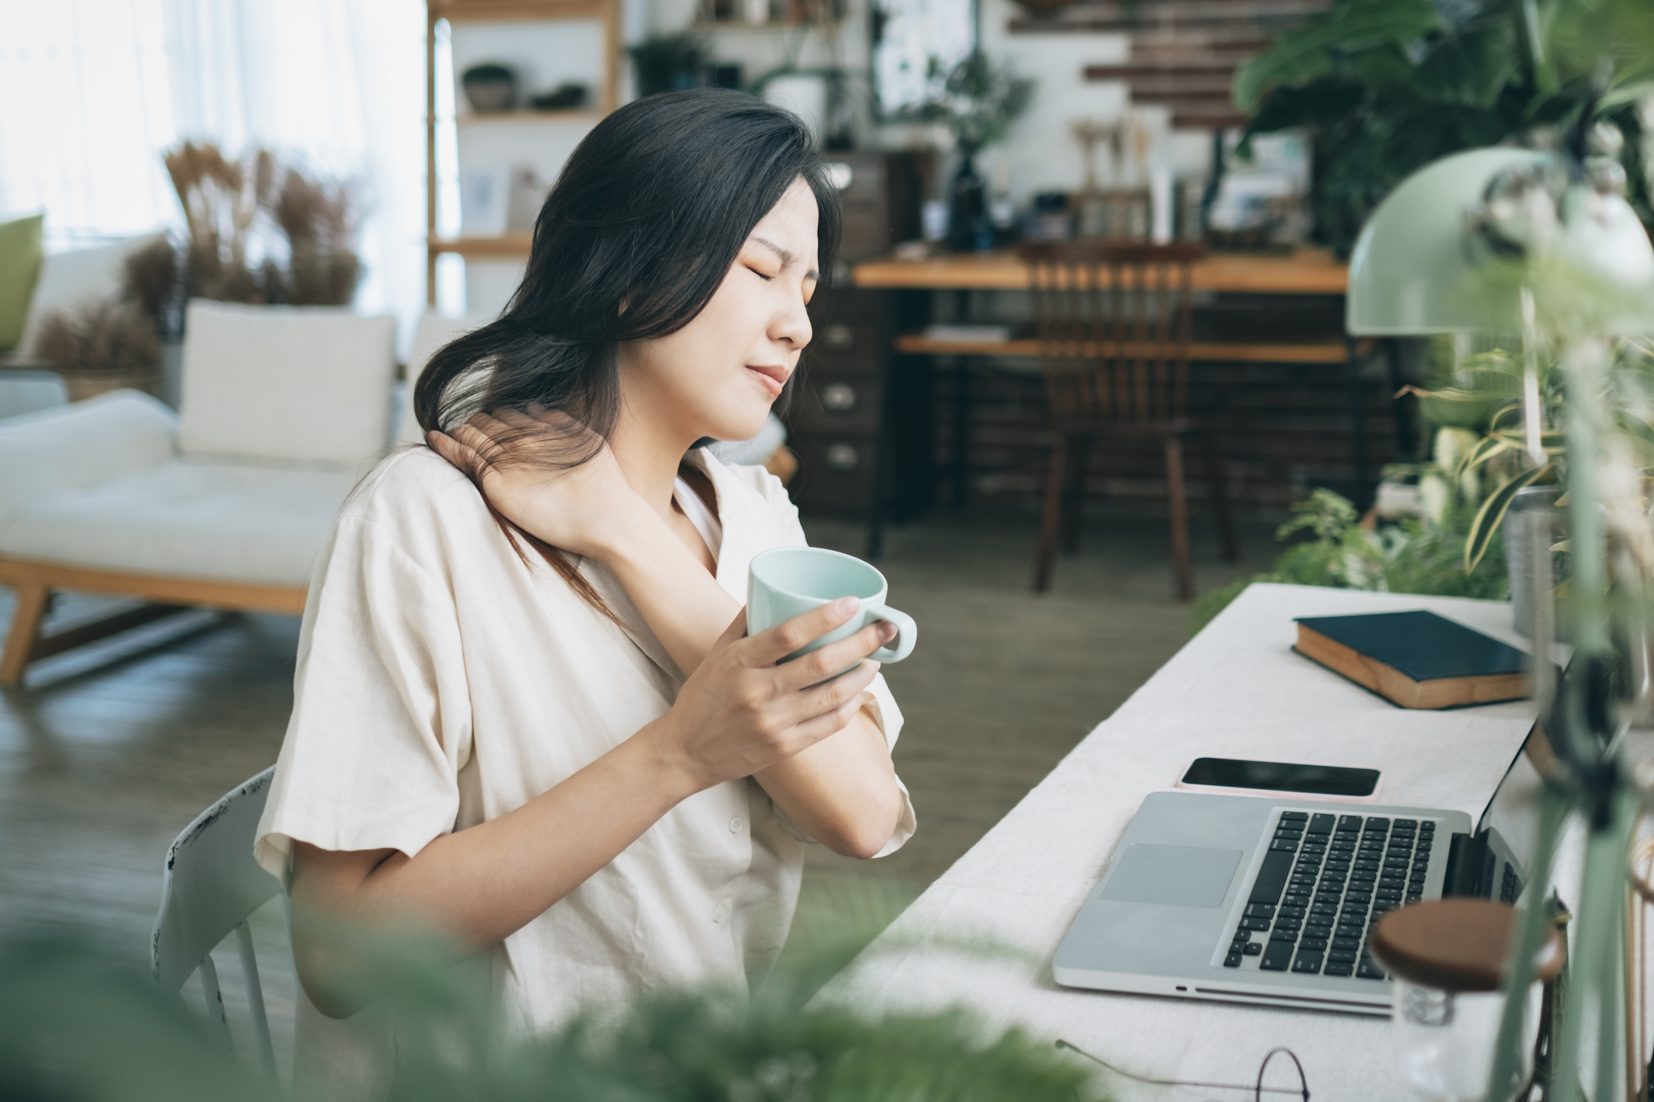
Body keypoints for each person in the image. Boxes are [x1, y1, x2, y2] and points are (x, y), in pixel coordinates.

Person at [252, 88, 915, 1099]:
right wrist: (680, 754)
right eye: (762, 270)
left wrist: (622, 536)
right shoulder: (423, 521)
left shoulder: (750, 518)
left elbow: (864, 815)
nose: (799, 325)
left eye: (812, 288)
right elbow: (341, 957)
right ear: (625, 269)